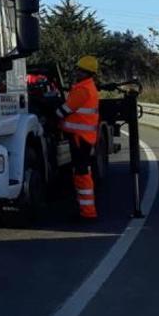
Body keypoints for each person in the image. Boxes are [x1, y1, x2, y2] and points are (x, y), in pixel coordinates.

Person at [56, 55, 100, 220]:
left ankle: (88, 212)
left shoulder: (82, 89)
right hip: (84, 137)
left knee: (81, 173)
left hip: (79, 138)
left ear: (86, 72)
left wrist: (51, 113)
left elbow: (64, 110)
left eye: (79, 70)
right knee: (82, 171)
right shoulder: (88, 87)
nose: (77, 72)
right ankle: (86, 210)